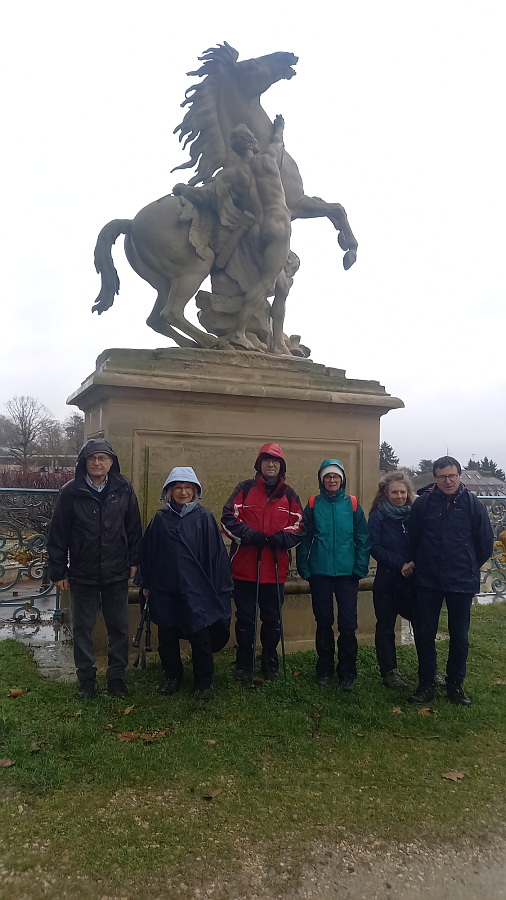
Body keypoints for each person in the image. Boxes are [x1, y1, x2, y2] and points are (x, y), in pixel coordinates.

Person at [47, 439, 142, 699]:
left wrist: (134, 560)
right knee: (82, 628)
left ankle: (116, 677)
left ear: (111, 462)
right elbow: (58, 533)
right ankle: (86, 679)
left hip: (116, 570)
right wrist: (58, 570)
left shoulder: (123, 488)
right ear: (84, 462)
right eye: (92, 458)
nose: (97, 462)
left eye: (102, 458)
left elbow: (133, 527)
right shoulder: (70, 492)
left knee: (119, 626)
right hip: (83, 572)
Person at [139, 468, 232, 701]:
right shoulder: (160, 519)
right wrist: (146, 583)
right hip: (166, 587)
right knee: (167, 635)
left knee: (201, 636)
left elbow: (215, 556)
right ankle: (172, 675)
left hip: (196, 589)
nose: (183, 492)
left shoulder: (204, 518)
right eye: (178, 487)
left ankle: (203, 682)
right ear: (169, 491)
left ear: (195, 490)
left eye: (188, 487)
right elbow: (148, 553)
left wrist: (216, 587)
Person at [407, 456, 494, 706]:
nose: (447, 481)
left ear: (459, 475)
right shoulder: (423, 504)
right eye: (442, 476)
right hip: (428, 579)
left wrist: (467, 563)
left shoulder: (473, 505)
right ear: (435, 478)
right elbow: (414, 538)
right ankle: (426, 683)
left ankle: (455, 685)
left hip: (461, 579)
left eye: (452, 476)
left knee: (460, 636)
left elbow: (485, 543)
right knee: (425, 633)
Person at [221, 443, 304, 681]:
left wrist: (281, 538)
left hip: (275, 569)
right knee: (245, 619)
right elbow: (228, 519)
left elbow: (299, 526)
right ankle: (244, 665)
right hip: (245, 568)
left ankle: (270, 663)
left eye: (275, 461)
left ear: (281, 466)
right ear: (259, 464)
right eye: (267, 460)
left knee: (272, 619)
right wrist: (250, 535)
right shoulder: (244, 489)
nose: (271, 464)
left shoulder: (289, 494)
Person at [296, 459, 370, 691]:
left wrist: (360, 567)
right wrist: (304, 566)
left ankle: (347, 671)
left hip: (348, 573)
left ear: (342, 479)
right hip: (320, 572)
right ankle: (325, 668)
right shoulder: (313, 503)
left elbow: (363, 538)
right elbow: (305, 537)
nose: (332, 480)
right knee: (324, 621)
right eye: (328, 476)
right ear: (321, 479)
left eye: (336, 476)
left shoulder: (353, 504)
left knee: (348, 624)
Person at [369, 470, 417, 688]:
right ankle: (389, 672)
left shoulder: (415, 514)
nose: (399, 496)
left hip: (413, 578)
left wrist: (414, 563)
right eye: (395, 492)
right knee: (386, 627)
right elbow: (375, 547)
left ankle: (429, 669)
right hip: (387, 579)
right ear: (386, 494)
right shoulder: (378, 515)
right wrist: (400, 564)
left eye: (403, 492)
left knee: (422, 625)